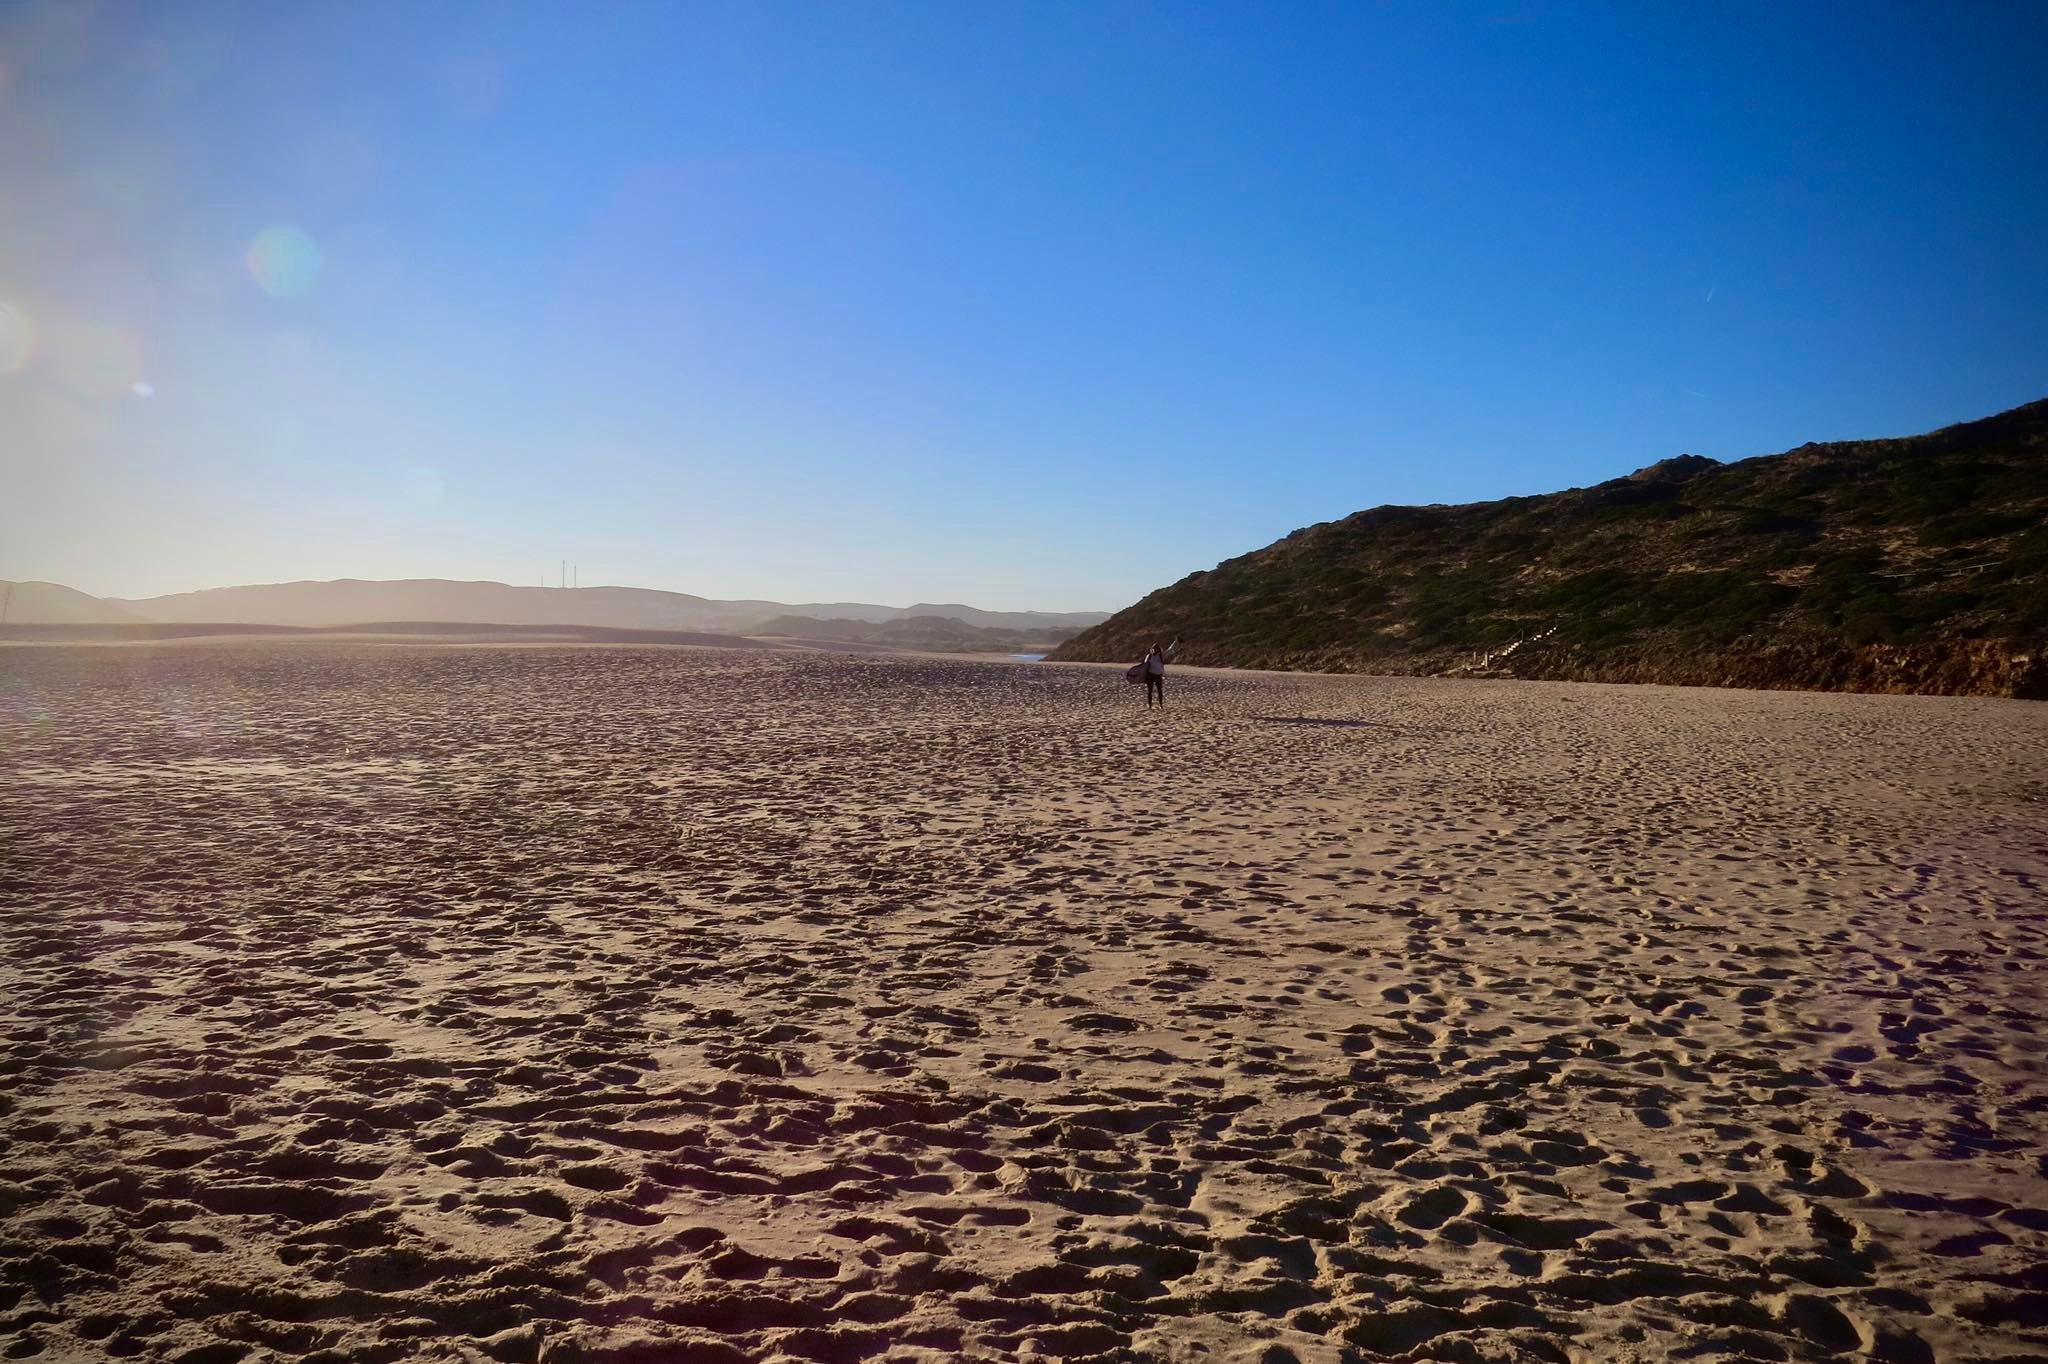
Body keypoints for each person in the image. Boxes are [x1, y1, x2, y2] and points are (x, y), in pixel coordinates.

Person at [1143, 642, 1168, 708]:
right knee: (1149, 691)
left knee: (1159, 690)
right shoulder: (1149, 656)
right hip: (1150, 675)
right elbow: (1145, 666)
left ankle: (1161, 705)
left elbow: (1170, 651)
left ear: (1158, 649)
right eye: (1153, 649)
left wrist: (1175, 642)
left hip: (1158, 675)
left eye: (1156, 649)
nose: (1155, 650)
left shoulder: (1161, 656)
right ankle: (1150, 705)